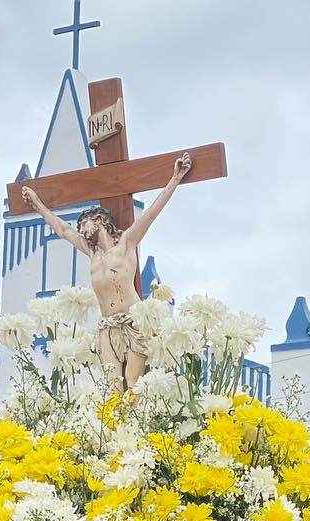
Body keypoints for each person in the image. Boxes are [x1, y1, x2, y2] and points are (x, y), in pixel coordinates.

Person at [22, 154, 192, 389]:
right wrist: (38, 205)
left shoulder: (126, 243)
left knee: (132, 383)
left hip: (133, 322)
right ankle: (115, 425)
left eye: (84, 224)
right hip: (106, 326)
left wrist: (175, 178)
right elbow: (62, 230)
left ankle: (133, 423)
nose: (80, 230)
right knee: (113, 386)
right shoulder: (92, 253)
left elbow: (151, 213)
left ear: (100, 220)